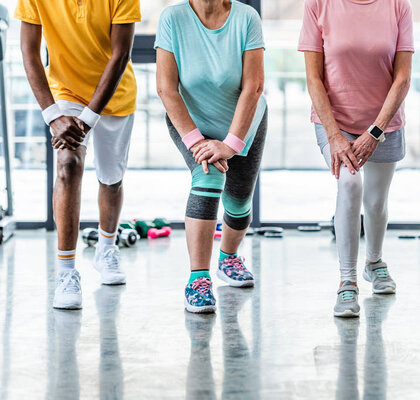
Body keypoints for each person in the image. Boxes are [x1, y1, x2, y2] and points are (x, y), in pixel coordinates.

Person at [16, 0, 141, 309]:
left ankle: (106, 248)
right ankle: (66, 271)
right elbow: (29, 52)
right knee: (68, 166)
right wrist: (52, 114)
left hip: (114, 95)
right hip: (65, 92)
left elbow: (120, 54)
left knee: (111, 179)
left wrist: (88, 119)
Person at [299, 0, 414, 317]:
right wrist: (335, 136)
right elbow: (313, 79)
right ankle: (347, 282)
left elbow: (402, 78)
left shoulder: (397, 6)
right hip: (335, 123)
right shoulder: (319, 5)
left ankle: (374, 261)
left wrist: (375, 131)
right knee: (350, 186)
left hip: (384, 123)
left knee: (376, 202)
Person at [155, 0, 267, 313]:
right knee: (208, 174)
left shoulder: (247, 18)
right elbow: (166, 88)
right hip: (191, 120)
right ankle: (198, 279)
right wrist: (197, 142)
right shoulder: (172, 18)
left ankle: (228, 257)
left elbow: (254, 87)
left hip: (243, 120)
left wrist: (230, 143)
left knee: (239, 201)